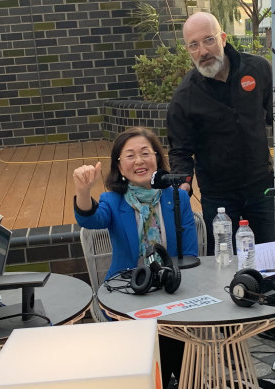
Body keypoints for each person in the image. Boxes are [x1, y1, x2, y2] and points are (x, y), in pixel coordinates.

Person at [73, 126, 197, 388]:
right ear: (119, 166)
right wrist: (84, 191)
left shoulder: (177, 197)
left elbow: (191, 255)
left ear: (157, 158)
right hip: (129, 291)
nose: (139, 161)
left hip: (173, 291)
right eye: (130, 155)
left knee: (180, 350)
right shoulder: (112, 200)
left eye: (145, 153)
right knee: (148, 354)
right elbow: (91, 218)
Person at [167, 11, 275, 256]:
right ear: (188, 51)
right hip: (219, 198)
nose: (203, 51)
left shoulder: (258, 69)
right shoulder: (184, 98)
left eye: (208, 40)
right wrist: (182, 184)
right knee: (226, 268)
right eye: (193, 45)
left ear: (223, 38)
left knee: (272, 260)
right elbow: (180, 151)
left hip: (263, 188)